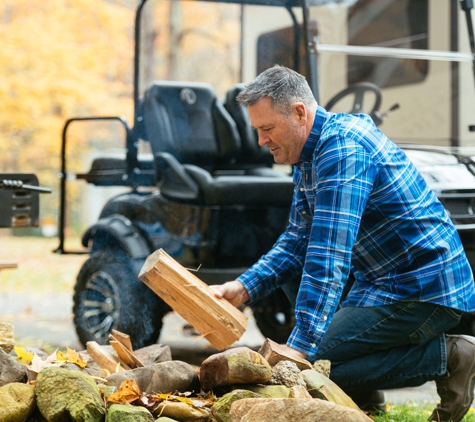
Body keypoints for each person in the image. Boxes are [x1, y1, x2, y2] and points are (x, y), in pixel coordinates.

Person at [210, 65, 475, 422]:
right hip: (382, 282)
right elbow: (297, 240)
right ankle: (367, 394)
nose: (261, 141)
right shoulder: (307, 156)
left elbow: (328, 253)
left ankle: (453, 357)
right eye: (257, 130)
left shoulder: (342, 149)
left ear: (299, 113)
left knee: (316, 369)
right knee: (297, 282)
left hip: (425, 288)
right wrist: (243, 288)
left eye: (267, 128)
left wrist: (300, 350)